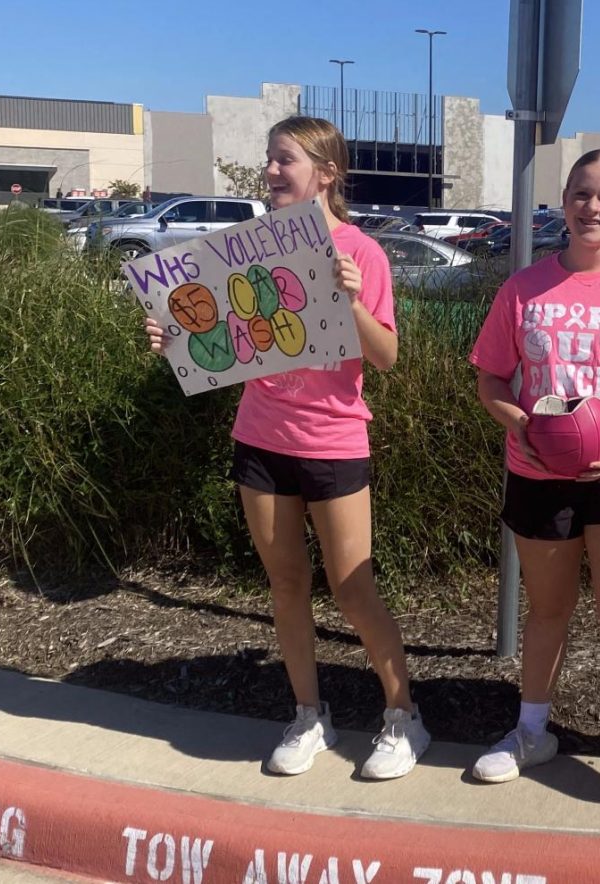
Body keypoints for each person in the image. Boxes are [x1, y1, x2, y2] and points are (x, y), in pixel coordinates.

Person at [145, 115, 429, 780]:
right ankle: (308, 715)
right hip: (260, 438)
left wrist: (353, 302)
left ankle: (403, 716)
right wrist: (173, 341)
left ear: (325, 174)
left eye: (284, 160)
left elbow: (385, 356)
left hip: (333, 440)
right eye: (269, 160)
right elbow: (220, 341)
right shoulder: (247, 248)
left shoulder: (363, 252)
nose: (271, 171)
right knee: (287, 585)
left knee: (355, 592)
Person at [468, 149, 600, 823]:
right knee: (548, 612)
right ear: (563, 203)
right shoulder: (522, 288)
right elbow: (491, 379)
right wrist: (521, 424)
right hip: (539, 473)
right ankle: (533, 732)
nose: (593, 208)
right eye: (581, 195)